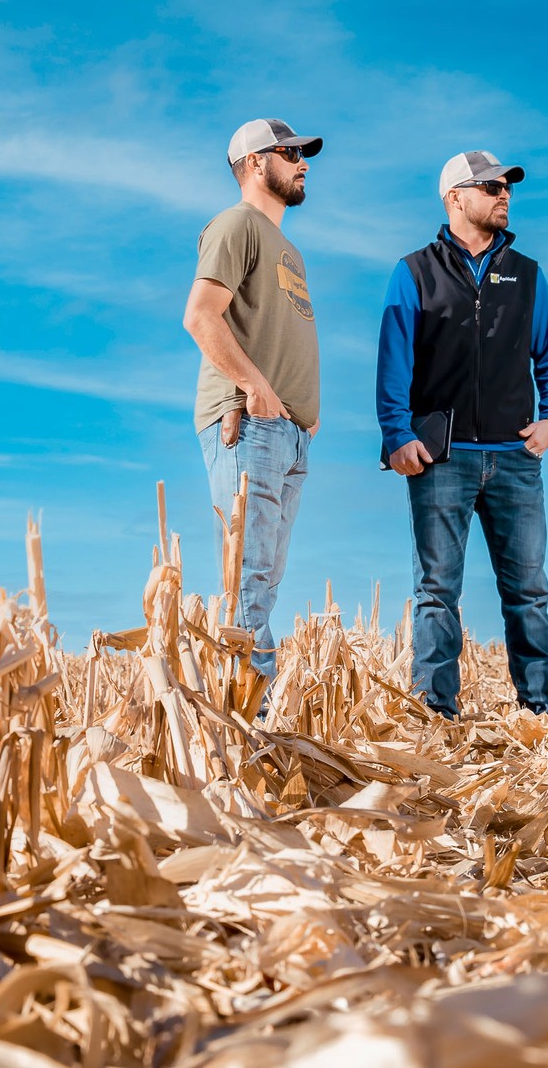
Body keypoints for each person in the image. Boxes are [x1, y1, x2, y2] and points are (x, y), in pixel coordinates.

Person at [377, 150, 548, 721]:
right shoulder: (414, 271)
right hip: (442, 459)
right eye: (490, 187)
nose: (503, 194)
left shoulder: (529, 275)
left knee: (529, 592)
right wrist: (397, 432)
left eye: (507, 186)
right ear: (455, 197)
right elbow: (394, 361)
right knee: (437, 593)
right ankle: (435, 714)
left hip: (515, 457)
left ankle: (543, 714)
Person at [182, 118, 322, 684]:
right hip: (249, 423)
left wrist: (304, 417)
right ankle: (246, 727)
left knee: (261, 583)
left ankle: (250, 716)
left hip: (287, 433)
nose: (303, 162)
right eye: (290, 153)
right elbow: (200, 316)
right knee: (247, 584)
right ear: (256, 163)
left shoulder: (288, 248)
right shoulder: (236, 224)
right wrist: (258, 388)